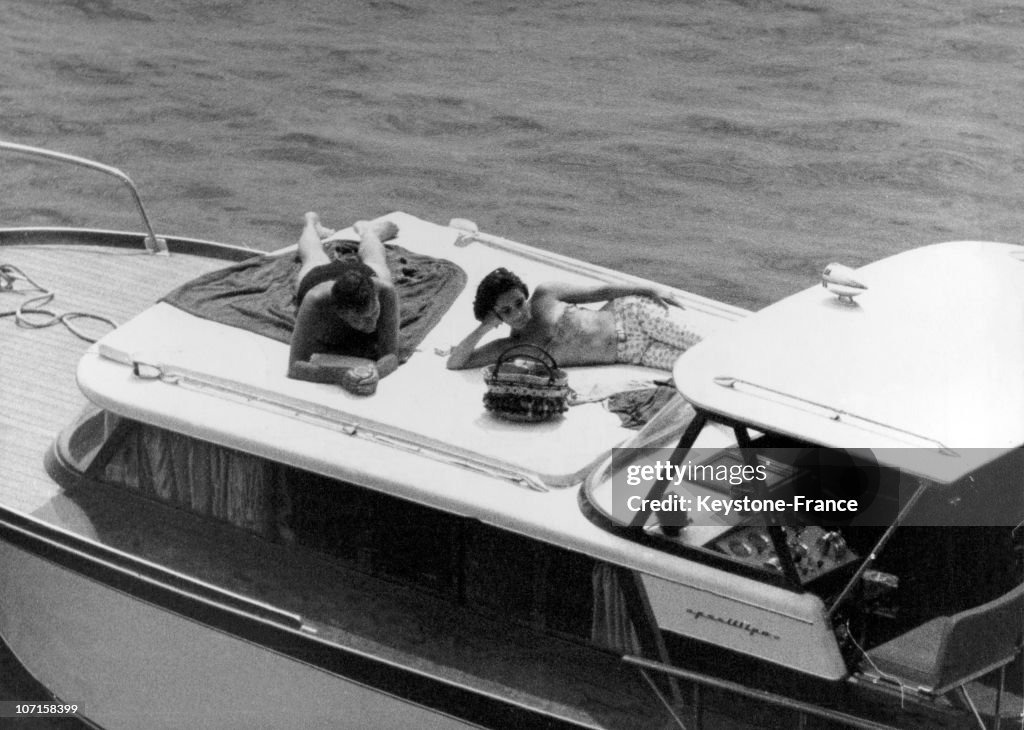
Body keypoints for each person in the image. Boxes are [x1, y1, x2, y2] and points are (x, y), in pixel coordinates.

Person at [446, 267, 701, 371]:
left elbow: (602, 292)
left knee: (704, 347)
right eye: (506, 311)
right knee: (695, 368)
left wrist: (649, 289)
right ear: (496, 315)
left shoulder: (547, 294)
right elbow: (456, 362)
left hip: (632, 315)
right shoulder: (512, 347)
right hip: (634, 353)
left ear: (525, 294)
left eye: (518, 303)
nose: (518, 313)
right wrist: (485, 327)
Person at [288, 212, 400, 394]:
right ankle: (311, 222)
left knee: (377, 262)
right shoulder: (315, 300)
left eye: (374, 314)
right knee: (312, 256)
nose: (372, 326)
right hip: (319, 278)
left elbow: (392, 355)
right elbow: (295, 366)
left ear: (375, 297)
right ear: (340, 313)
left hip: (361, 273)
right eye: (360, 320)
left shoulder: (384, 291)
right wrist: (340, 376)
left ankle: (369, 232)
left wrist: (374, 373)